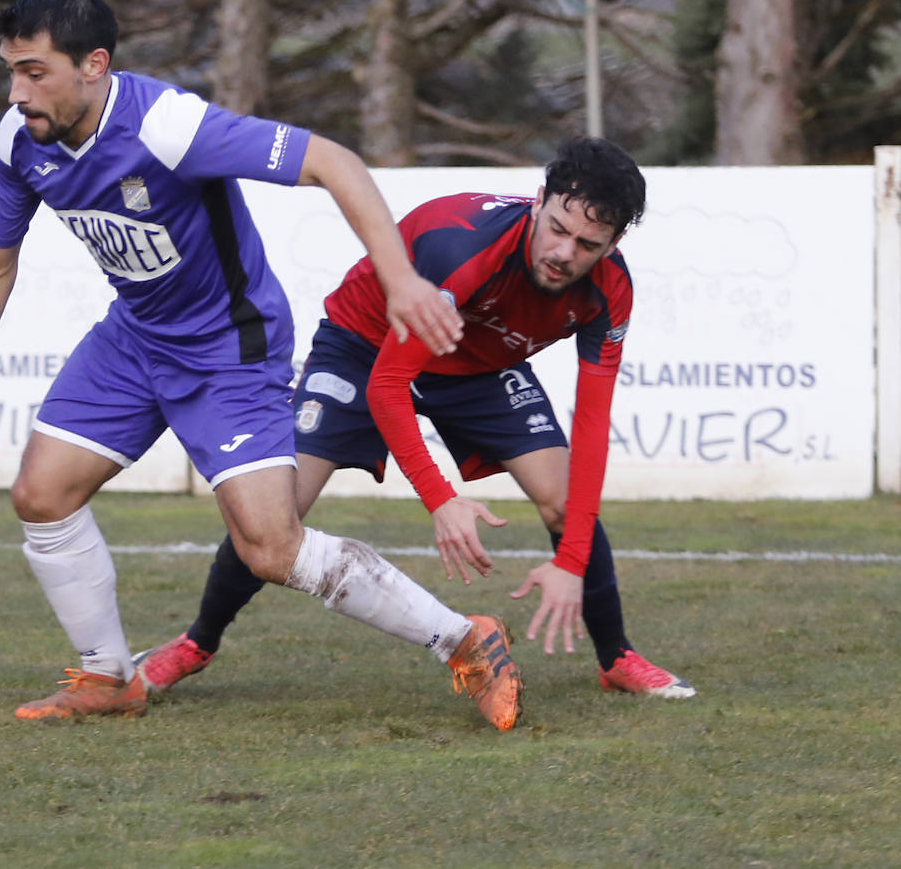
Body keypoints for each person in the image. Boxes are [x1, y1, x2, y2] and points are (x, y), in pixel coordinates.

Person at [0, 0, 523, 730]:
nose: (17, 93)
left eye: (35, 72)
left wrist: (399, 280)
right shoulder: (20, 140)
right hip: (134, 337)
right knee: (40, 494)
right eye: (11, 71)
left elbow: (334, 161)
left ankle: (467, 638)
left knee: (270, 546)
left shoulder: (168, 126)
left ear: (94, 65)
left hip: (229, 345)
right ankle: (110, 676)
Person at [136, 136, 696, 701]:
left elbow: (594, 425)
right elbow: (388, 385)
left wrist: (572, 562)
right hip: (365, 348)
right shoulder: (462, 247)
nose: (565, 253)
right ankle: (196, 644)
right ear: (537, 200)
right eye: (557, 228)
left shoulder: (611, 288)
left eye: (587, 243)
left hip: (477, 365)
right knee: (276, 513)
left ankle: (617, 658)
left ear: (614, 241)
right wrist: (440, 498)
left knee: (561, 497)